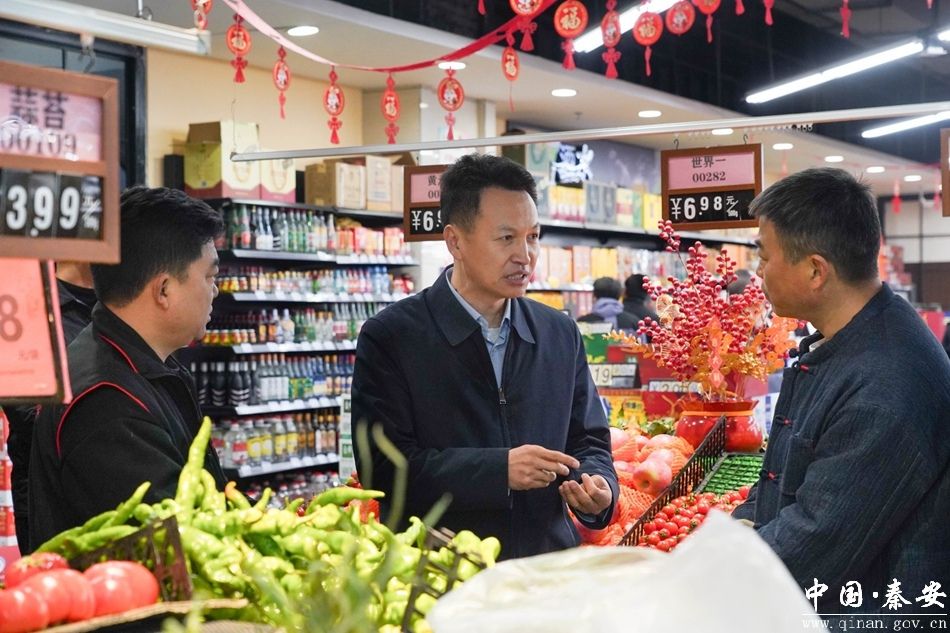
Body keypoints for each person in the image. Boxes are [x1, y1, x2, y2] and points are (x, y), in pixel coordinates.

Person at [352, 153, 617, 559]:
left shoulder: (558, 333)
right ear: (455, 241)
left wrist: (599, 487)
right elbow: (384, 469)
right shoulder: (392, 336)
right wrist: (498, 470)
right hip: (440, 570)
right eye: (506, 238)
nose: (525, 255)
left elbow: (589, 440)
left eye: (533, 237)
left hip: (545, 565)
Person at [731, 168, 950, 614]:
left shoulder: (886, 383)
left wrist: (709, 571)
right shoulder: (851, 338)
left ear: (815, 270)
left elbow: (816, 541)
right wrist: (738, 528)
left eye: (764, 256)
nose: (759, 272)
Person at [29, 186, 227, 550]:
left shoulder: (142, 363)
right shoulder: (106, 403)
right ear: (164, 290)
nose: (215, 291)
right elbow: (176, 543)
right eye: (209, 277)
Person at [6, 262, 98, 552]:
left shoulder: (121, 303)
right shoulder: (27, 306)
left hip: (108, 485)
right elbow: (26, 411)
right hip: (48, 498)